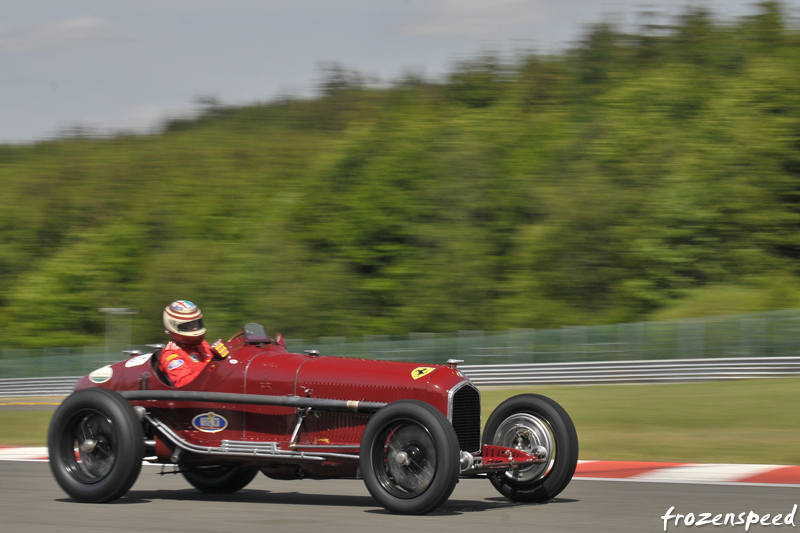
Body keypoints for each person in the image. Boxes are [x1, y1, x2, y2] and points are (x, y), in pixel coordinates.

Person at [159, 300, 219, 387]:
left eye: (196, 323)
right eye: (188, 325)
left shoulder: (202, 344)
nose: (195, 328)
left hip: (215, 389)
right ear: (174, 327)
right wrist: (211, 370)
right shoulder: (170, 354)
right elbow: (185, 384)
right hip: (194, 397)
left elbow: (216, 367)